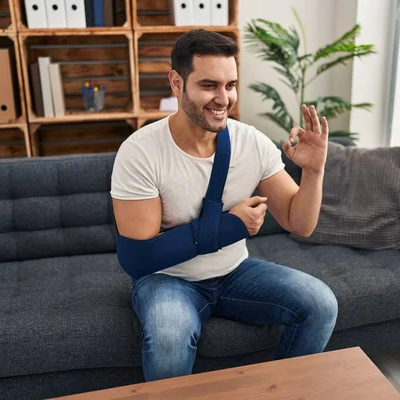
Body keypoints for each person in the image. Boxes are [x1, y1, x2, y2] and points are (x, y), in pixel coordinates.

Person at [110, 29, 338, 382]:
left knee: (320, 304)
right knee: (169, 335)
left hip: (234, 273)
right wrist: (231, 226)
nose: (223, 98)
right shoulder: (140, 151)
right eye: (209, 85)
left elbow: (300, 223)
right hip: (169, 281)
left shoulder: (252, 143)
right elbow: (138, 259)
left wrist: (314, 170)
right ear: (176, 82)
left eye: (230, 85)